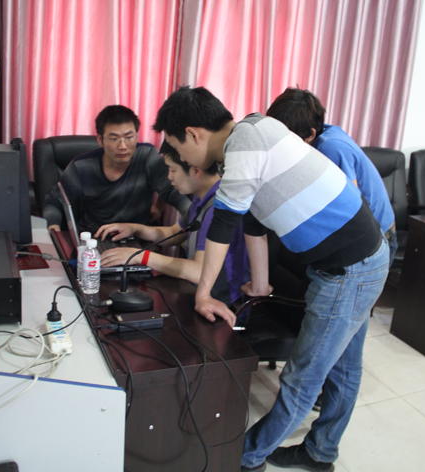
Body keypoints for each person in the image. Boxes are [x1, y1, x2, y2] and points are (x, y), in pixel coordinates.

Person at [154, 86, 389, 472]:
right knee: (343, 368)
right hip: (359, 260)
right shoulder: (253, 130)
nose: (181, 158)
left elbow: (224, 224)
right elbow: (253, 220)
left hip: (350, 269)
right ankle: (320, 453)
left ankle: (246, 459)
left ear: (193, 134)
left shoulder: (244, 145)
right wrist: (260, 283)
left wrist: (203, 294)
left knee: (302, 377)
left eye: (178, 147)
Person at [94, 142, 250, 306]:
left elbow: (199, 272)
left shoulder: (217, 209)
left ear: (196, 170)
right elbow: (174, 233)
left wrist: (141, 256)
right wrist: (134, 229)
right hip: (199, 295)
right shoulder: (202, 196)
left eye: (173, 170)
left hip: (221, 305)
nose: (169, 177)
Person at [266, 87, 397, 264]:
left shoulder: (331, 148)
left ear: (310, 134)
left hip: (373, 243)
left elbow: (350, 209)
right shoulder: (322, 134)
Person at [42, 105, 191, 233]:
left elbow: (171, 191)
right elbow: (53, 202)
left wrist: (189, 214)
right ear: (100, 140)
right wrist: (54, 229)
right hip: (95, 236)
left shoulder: (147, 157)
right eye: (114, 139)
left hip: (137, 237)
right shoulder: (82, 166)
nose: (123, 146)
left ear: (136, 137)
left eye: (128, 137)